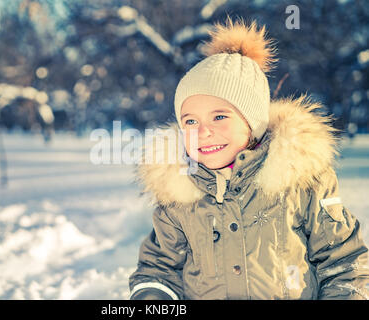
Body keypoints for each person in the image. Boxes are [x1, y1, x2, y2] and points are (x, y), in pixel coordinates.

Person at [128, 17, 369, 300]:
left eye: (219, 116)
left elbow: (344, 262)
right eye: (190, 121)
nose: (203, 131)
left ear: (253, 122)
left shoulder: (300, 183)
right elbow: (158, 270)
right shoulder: (180, 197)